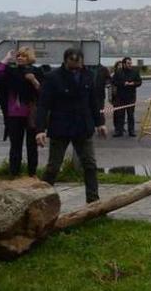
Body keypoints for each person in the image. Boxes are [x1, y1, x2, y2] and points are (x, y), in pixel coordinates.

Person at [37, 48, 107, 203]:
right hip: (60, 127)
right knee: (53, 167)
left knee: (90, 165)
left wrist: (100, 123)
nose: (76, 68)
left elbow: (93, 102)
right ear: (65, 61)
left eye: (78, 65)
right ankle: (40, 199)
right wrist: (40, 130)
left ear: (82, 62)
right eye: (72, 65)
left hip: (83, 126)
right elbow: (43, 105)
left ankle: (93, 201)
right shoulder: (52, 78)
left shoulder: (88, 76)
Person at [0, 47, 42, 177]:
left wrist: (33, 80)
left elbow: (43, 92)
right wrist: (6, 59)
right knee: (15, 146)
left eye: (23, 56)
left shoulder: (36, 72)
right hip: (14, 114)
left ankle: (32, 173)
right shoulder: (11, 72)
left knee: (32, 146)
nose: (20, 58)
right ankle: (14, 173)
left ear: (29, 58)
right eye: (18, 55)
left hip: (31, 114)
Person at [111, 57, 142, 137]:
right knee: (120, 114)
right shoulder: (118, 72)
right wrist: (123, 83)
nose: (130, 65)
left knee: (130, 115)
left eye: (130, 63)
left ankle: (131, 131)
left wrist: (133, 84)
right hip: (120, 97)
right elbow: (114, 82)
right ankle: (119, 131)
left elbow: (139, 82)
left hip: (131, 97)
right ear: (124, 64)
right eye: (128, 63)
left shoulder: (135, 72)